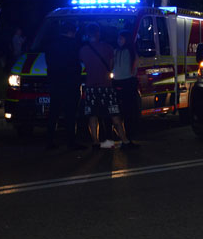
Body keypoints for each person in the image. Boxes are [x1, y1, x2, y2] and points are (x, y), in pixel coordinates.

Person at [79, 23, 137, 149]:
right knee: (114, 114)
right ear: (98, 33)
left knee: (92, 115)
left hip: (90, 86)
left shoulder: (83, 50)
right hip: (106, 86)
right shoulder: (107, 48)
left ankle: (95, 142)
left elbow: (83, 65)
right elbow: (111, 66)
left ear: (87, 34)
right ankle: (125, 140)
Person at [45, 21, 85, 151]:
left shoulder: (51, 45)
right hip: (70, 85)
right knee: (71, 114)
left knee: (53, 113)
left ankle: (50, 141)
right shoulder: (74, 45)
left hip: (55, 84)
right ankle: (71, 142)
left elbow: (49, 63)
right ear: (71, 32)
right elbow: (76, 65)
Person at [112, 30, 140, 143]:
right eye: (118, 38)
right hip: (127, 83)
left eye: (121, 38)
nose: (119, 40)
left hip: (122, 83)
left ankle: (126, 136)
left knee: (124, 112)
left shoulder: (123, 52)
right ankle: (127, 137)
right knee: (128, 112)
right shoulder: (129, 52)